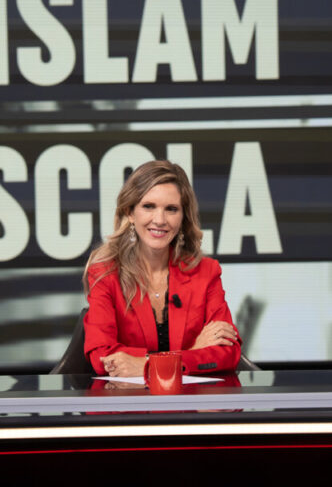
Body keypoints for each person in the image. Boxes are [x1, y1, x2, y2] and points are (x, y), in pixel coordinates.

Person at [82, 160, 240, 377]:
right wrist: (190, 353)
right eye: (149, 206)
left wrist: (145, 365)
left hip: (192, 406)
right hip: (128, 406)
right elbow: (101, 356)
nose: (160, 220)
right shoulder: (105, 273)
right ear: (129, 212)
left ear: (183, 217)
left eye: (171, 209)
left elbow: (227, 352)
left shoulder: (206, 272)